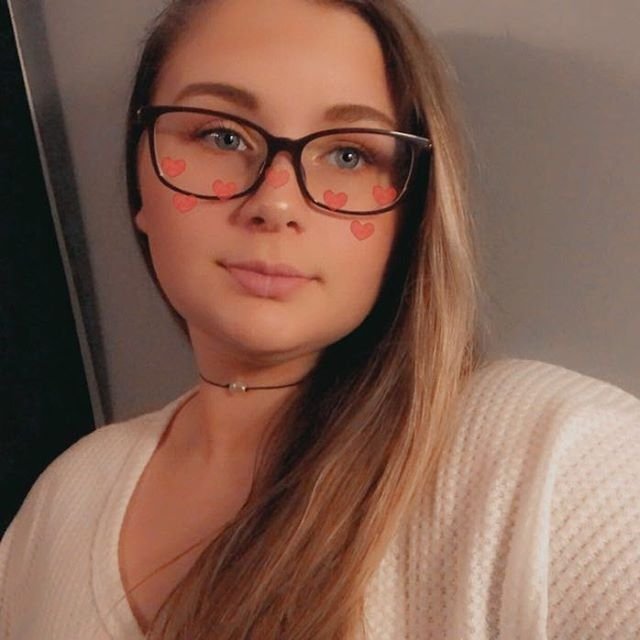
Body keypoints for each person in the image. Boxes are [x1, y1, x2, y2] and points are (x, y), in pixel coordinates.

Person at [1, 0, 639, 638]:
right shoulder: (63, 500)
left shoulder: (552, 463)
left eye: (349, 155)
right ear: (140, 182)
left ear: (412, 213)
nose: (275, 203)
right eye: (222, 137)